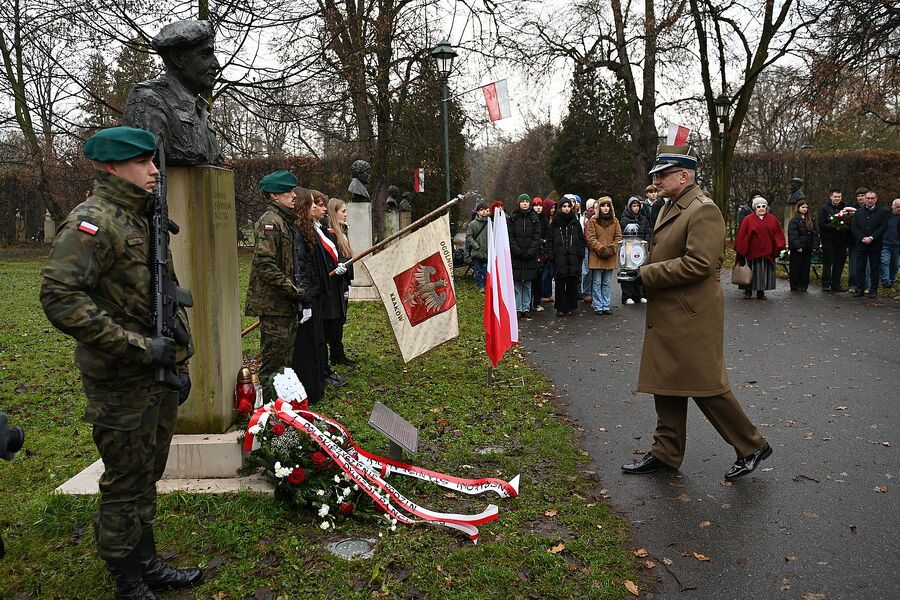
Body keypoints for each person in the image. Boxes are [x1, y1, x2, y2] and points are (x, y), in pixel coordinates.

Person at [41, 126, 202, 598]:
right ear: (111, 167)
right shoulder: (93, 222)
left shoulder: (142, 217)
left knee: (147, 475)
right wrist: (137, 348)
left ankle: (146, 562)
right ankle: (126, 578)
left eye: (152, 161)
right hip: (120, 379)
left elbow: (161, 297)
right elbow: (59, 297)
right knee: (124, 483)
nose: (153, 171)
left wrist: (178, 362)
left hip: (157, 373)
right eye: (141, 163)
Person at [621, 144, 771, 480]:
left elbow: (699, 264)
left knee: (706, 386)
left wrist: (646, 274)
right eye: (656, 174)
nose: (656, 180)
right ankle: (666, 452)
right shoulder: (670, 206)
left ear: (684, 176)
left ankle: (751, 445)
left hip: (691, 314)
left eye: (663, 174)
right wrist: (638, 267)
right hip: (672, 310)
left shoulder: (703, 210)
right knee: (665, 381)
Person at [123, 20, 223, 167]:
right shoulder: (148, 100)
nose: (216, 64)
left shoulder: (201, 109)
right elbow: (140, 168)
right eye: (205, 54)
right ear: (178, 58)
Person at [246, 171, 304, 402]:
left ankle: (282, 409)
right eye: (287, 191)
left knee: (284, 364)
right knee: (273, 365)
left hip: (284, 304)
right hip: (274, 305)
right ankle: (269, 412)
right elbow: (265, 265)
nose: (294, 195)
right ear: (274, 195)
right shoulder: (270, 222)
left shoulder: (283, 220)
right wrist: (294, 291)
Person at [734, 197, 786, 300]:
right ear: (755, 208)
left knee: (763, 272)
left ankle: (761, 292)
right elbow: (742, 234)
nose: (761, 208)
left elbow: (778, 233)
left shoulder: (772, 219)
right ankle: (748, 291)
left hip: (767, 251)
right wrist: (742, 248)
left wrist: (779, 246)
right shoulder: (748, 219)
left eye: (763, 206)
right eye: (758, 206)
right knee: (750, 271)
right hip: (751, 252)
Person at [323, 198, 355, 365]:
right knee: (335, 320)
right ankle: (335, 353)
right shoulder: (330, 232)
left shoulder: (343, 230)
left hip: (343, 281)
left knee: (341, 318)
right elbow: (335, 255)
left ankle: (338, 353)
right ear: (333, 212)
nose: (346, 214)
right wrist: (339, 266)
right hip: (335, 281)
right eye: (343, 211)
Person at [547, 197, 584, 316]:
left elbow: (580, 239)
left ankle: (570, 306)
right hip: (559, 256)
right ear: (560, 208)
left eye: (568, 206)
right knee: (560, 283)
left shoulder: (575, 222)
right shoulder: (555, 223)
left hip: (573, 256)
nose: (567, 209)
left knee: (572, 282)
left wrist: (580, 254)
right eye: (564, 206)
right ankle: (560, 307)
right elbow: (550, 240)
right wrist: (551, 255)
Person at [585, 196, 622, 315]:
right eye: (603, 206)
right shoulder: (592, 222)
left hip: (610, 255)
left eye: (607, 206)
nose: (605, 208)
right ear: (599, 208)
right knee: (596, 281)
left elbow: (618, 237)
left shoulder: (615, 221)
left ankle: (606, 305)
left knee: (606, 282)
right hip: (597, 255)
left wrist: (611, 248)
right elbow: (590, 238)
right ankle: (598, 305)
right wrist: (601, 249)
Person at [507, 194, 542, 319]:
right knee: (517, 284)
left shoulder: (534, 218)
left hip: (530, 256)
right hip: (517, 255)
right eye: (523, 201)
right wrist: (517, 251)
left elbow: (537, 236)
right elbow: (510, 236)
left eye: (527, 201)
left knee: (527, 284)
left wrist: (531, 251)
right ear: (519, 203)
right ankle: (518, 308)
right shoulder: (513, 218)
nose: (525, 203)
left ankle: (526, 307)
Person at [850, 190, 890, 298]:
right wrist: (862, 238)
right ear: (865, 199)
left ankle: (873, 290)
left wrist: (872, 237)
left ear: (876, 199)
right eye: (868, 198)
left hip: (875, 244)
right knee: (860, 268)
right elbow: (854, 227)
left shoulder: (883, 212)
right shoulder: (858, 212)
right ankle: (860, 289)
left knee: (875, 268)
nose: (870, 200)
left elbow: (883, 227)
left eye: (872, 198)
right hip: (861, 244)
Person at [619, 196, 652, 304]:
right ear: (629, 207)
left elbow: (648, 232)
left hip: (640, 249)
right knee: (628, 271)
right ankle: (627, 296)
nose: (636, 208)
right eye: (634, 206)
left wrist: (646, 244)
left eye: (638, 206)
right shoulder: (624, 219)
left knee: (640, 271)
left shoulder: (643, 219)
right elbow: (624, 235)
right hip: (629, 249)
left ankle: (639, 295)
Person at [818, 188, 851, 292]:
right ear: (831, 197)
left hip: (841, 240)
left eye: (839, 197)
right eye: (835, 197)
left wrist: (844, 227)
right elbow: (821, 224)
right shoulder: (825, 209)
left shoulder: (845, 209)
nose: (837, 199)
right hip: (829, 240)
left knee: (839, 263)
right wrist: (834, 226)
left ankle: (836, 284)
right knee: (828, 262)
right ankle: (826, 283)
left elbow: (849, 222)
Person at [787, 199, 819, 291]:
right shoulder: (794, 220)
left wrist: (815, 246)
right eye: (802, 207)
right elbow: (793, 234)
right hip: (798, 248)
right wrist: (798, 246)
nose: (805, 209)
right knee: (796, 267)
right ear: (798, 208)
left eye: (806, 207)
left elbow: (815, 233)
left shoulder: (810, 219)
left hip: (808, 247)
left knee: (805, 267)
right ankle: (795, 285)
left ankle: (804, 284)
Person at [465, 202, 490, 290]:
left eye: (485, 209)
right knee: (477, 270)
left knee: (486, 269)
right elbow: (469, 237)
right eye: (481, 210)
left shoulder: (490, 223)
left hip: (487, 251)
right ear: (478, 212)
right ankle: (480, 286)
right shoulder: (472, 224)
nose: (483, 211)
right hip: (477, 251)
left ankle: (487, 285)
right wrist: (476, 246)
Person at [848, 187, 869, 293]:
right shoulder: (851, 209)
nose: (860, 198)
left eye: (862, 195)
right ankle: (853, 284)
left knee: (867, 265)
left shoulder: (871, 209)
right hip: (854, 241)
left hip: (868, 241)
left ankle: (865, 285)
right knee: (854, 264)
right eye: (858, 196)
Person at [531, 197, 549, 312]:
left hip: (542, 252)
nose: (538, 208)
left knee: (539, 280)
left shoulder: (545, 220)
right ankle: (528, 303)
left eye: (540, 206)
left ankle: (536, 302)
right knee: (530, 280)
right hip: (532, 251)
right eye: (536, 205)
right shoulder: (530, 218)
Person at [540, 199, 557, 302]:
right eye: (551, 208)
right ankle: (543, 294)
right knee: (544, 273)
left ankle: (549, 293)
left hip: (552, 249)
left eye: (554, 208)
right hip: (544, 249)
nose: (553, 210)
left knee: (550, 273)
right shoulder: (543, 220)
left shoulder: (554, 219)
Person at [881, 198, 900, 288]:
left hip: (897, 245)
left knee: (895, 265)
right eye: (897, 207)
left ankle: (892, 280)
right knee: (884, 262)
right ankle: (885, 282)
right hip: (885, 243)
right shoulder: (885, 215)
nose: (899, 209)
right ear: (892, 206)